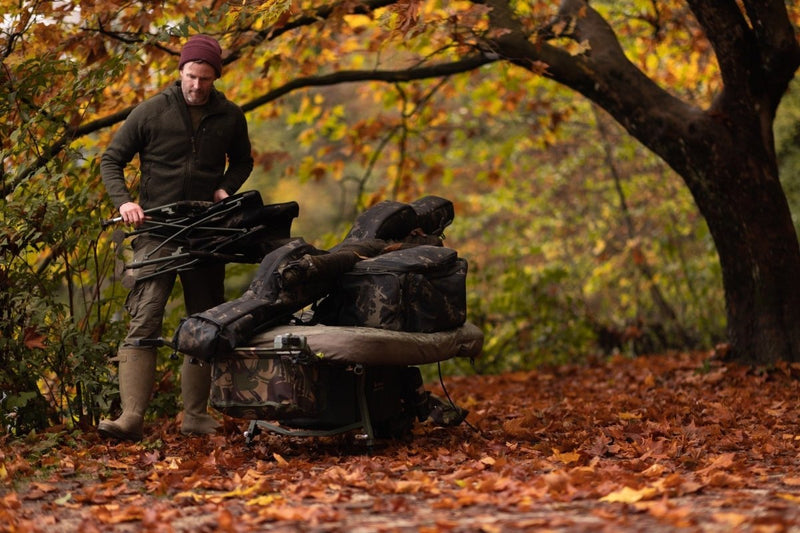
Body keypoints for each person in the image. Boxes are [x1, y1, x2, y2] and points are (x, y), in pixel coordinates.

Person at [98, 35, 254, 441]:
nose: (196, 85)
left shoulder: (230, 116)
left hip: (206, 232)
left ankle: (195, 416)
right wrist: (124, 202)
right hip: (156, 230)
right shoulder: (151, 111)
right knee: (145, 316)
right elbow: (111, 159)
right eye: (191, 76)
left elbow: (243, 161)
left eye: (205, 78)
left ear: (215, 77)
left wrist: (225, 188)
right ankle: (131, 417)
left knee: (204, 323)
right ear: (180, 72)